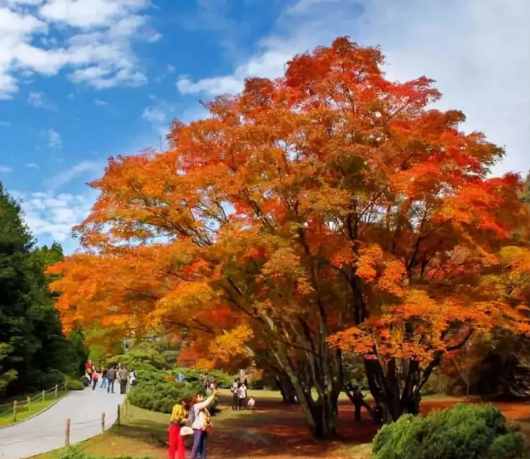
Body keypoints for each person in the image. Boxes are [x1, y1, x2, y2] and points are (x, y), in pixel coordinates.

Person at [189, 387, 217, 459]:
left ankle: (203, 457)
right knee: (197, 444)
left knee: (203, 446)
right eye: (199, 396)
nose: (201, 396)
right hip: (197, 429)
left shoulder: (203, 408)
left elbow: (208, 406)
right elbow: (206, 403)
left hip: (204, 429)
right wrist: (213, 394)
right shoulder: (196, 406)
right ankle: (193, 457)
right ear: (196, 399)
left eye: (201, 395)